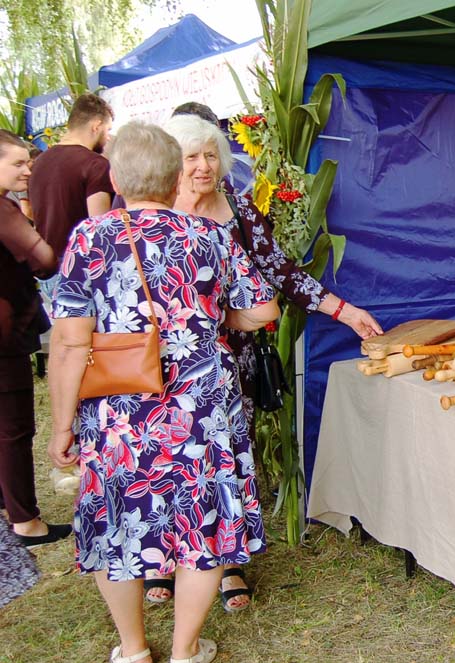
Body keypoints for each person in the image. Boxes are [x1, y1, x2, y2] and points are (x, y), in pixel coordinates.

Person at [46, 121, 278, 663]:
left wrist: (61, 427)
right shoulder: (211, 236)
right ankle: (185, 649)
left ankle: (132, 649)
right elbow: (262, 310)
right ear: (176, 178)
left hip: (118, 408)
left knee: (117, 521)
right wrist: (210, 319)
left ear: (116, 180)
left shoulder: (90, 237)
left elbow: (69, 343)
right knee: (203, 523)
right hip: (203, 405)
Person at [157, 113, 382, 612]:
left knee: (222, 459)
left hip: (227, 363)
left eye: (211, 155)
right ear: (170, 161)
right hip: (162, 366)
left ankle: (228, 563)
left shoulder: (238, 210)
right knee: (169, 460)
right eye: (191, 157)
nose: (203, 166)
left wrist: (345, 312)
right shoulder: (149, 208)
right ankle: (168, 558)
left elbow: (281, 271)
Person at [0, 130, 68, 547]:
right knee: (13, 428)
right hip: (6, 335)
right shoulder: (3, 210)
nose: (28, 170)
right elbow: (44, 260)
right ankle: (25, 520)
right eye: (18, 163)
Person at [28, 93, 115, 260]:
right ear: (96, 126)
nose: (108, 137)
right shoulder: (96, 164)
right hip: (81, 265)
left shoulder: (39, 163)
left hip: (48, 263)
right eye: (108, 129)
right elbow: (100, 228)